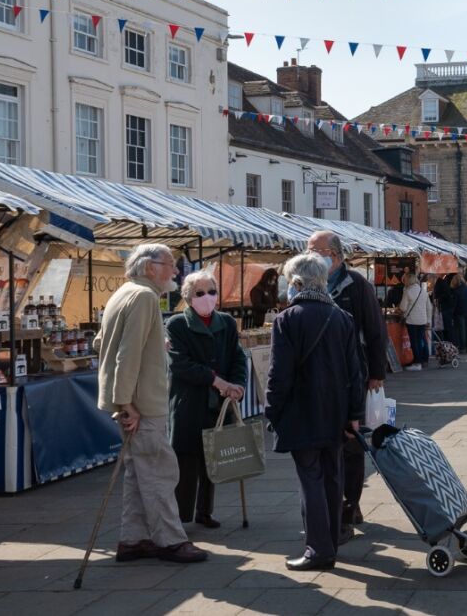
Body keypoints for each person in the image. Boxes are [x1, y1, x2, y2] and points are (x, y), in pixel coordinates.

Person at [96, 244, 207, 564]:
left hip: (135, 399)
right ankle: (171, 539)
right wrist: (126, 402)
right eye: (170, 265)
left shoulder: (124, 293)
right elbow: (126, 354)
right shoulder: (144, 296)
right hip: (142, 402)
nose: (175, 271)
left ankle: (134, 538)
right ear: (149, 267)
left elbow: (101, 342)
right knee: (158, 471)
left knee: (138, 471)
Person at [265, 253, 365, 571]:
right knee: (332, 478)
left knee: (311, 480)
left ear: (296, 283)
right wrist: (354, 414)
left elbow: (278, 375)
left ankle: (319, 549)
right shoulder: (341, 318)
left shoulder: (287, 319)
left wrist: (272, 410)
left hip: (302, 413)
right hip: (335, 412)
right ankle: (331, 541)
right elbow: (355, 372)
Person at [306, 231, 386, 540]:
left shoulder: (358, 285)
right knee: (326, 445)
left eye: (317, 251)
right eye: (309, 250)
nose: (311, 255)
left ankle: (350, 504)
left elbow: (376, 331)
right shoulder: (305, 283)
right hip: (318, 380)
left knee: (352, 445)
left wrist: (376, 374)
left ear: (336, 256)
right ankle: (332, 505)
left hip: (354, 377)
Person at [165, 271, 247, 530]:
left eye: (211, 291)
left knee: (213, 458)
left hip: (218, 402)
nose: (207, 297)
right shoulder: (177, 324)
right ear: (188, 298)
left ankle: (205, 511)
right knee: (186, 460)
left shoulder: (226, 322)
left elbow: (237, 357)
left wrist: (238, 385)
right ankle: (180, 515)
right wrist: (217, 381)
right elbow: (181, 364)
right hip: (189, 401)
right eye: (200, 293)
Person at [399, 269, 432, 372]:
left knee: (415, 342)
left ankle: (417, 362)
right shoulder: (423, 291)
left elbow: (403, 307)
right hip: (422, 319)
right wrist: (428, 320)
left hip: (412, 320)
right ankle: (424, 360)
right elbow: (429, 307)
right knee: (422, 340)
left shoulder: (408, 291)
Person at [452, 273, 467, 354]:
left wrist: (452, 313)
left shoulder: (456, 291)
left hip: (460, 312)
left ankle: (462, 347)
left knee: (461, 330)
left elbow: (454, 304)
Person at [433, 273, 458, 347]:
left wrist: (438, 299)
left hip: (445, 308)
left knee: (447, 327)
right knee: (448, 327)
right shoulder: (443, 282)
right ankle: (450, 343)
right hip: (447, 307)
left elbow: (445, 295)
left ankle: (450, 343)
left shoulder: (440, 283)